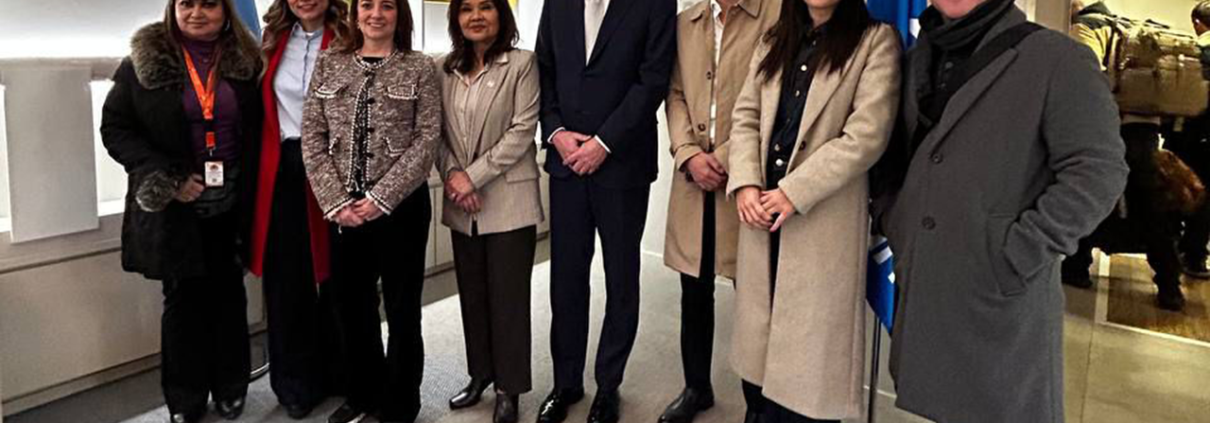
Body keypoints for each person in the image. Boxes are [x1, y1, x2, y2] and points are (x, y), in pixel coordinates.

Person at [871, 0, 1128, 421]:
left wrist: (1020, 251)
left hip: (1000, 297)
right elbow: (895, 156)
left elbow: (1099, 171)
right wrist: (893, 218)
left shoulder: (1057, 59)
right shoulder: (918, 58)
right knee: (941, 405)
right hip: (931, 289)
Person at [725, 0, 899, 421]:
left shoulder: (874, 41)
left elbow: (866, 136)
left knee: (808, 374)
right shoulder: (773, 40)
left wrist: (794, 191)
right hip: (761, 217)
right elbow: (745, 116)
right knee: (758, 359)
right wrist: (745, 181)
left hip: (821, 221)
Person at [100, 0, 262, 422]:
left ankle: (231, 386)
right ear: (173, 8)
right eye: (186, 3)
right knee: (183, 302)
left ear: (226, 11)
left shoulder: (248, 61)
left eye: (209, 4)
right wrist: (168, 177)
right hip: (177, 207)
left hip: (233, 201)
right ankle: (185, 397)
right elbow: (115, 128)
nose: (196, 13)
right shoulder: (143, 62)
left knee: (229, 294)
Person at [533, 0, 676, 421]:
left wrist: (604, 143)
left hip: (623, 163)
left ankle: (608, 386)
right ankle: (566, 382)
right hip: (566, 162)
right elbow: (544, 70)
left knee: (621, 280)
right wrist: (555, 132)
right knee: (566, 279)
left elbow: (653, 80)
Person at [299, 0, 441, 421]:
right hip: (343, 212)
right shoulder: (329, 63)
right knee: (351, 308)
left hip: (401, 209)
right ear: (355, 13)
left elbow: (427, 138)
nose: (376, 13)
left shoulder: (419, 67)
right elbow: (312, 136)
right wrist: (335, 202)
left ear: (400, 14)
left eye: (386, 5)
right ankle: (363, 393)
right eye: (366, 4)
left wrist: (381, 198)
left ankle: (400, 403)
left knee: (402, 310)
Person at [659, 0, 777, 422]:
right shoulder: (685, 22)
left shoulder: (777, 14)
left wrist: (727, 157)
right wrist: (687, 152)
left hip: (749, 175)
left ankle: (758, 401)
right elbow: (674, 93)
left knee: (755, 298)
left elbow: (774, 95)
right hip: (693, 178)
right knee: (694, 290)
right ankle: (696, 387)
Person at [434, 0, 543, 422]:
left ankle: (509, 389)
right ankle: (480, 374)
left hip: (508, 198)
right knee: (473, 294)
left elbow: (522, 131)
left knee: (508, 299)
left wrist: (472, 178)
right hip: (462, 201)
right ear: (456, 19)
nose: (476, 16)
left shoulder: (522, 64)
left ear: (502, 15)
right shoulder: (443, 68)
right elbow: (436, 132)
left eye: (486, 7)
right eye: (466, 9)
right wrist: (453, 176)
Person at [250, 0, 351, 418]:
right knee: (287, 280)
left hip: (336, 166)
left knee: (340, 276)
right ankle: (294, 383)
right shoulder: (271, 40)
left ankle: (342, 372)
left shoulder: (349, 38)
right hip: (283, 168)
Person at [1065, 0, 1188, 310]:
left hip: (1111, 125)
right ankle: (1170, 285)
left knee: (1089, 194)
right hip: (1146, 130)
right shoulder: (1126, 28)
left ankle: (1076, 267)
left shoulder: (1088, 27)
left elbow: (1081, 76)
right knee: (1150, 206)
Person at [1168, 1, 1210, 279]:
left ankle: (1173, 253)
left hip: (1191, 133)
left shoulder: (1196, 51)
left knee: (1178, 190)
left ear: (1197, 22)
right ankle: (1195, 257)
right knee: (1206, 198)